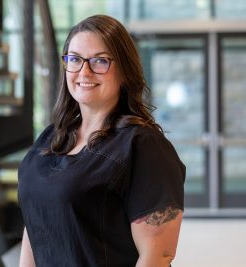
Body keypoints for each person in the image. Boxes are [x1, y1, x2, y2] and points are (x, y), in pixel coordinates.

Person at [17, 14, 185, 267]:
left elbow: (157, 256)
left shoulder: (144, 147)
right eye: (74, 59)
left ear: (125, 70)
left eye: (99, 61)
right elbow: (35, 224)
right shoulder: (51, 138)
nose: (84, 71)